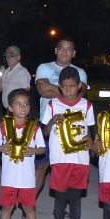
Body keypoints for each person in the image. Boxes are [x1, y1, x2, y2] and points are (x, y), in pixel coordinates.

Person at [41, 67, 95, 219]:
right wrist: (52, 121)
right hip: (60, 159)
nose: (69, 90)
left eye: (72, 86)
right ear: (59, 87)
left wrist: (90, 142)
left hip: (80, 159)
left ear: (79, 86)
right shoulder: (52, 105)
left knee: (76, 200)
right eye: (65, 87)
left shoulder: (87, 105)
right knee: (60, 200)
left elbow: (89, 130)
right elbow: (46, 132)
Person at [0, 89, 47, 219]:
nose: (23, 108)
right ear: (10, 107)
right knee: (7, 207)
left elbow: (42, 149)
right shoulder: (3, 127)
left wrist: (34, 151)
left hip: (27, 178)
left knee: (29, 208)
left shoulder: (34, 127)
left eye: (26, 104)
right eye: (18, 104)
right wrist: (1, 148)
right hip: (9, 177)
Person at [33, 38, 86, 198]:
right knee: (41, 166)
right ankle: (29, 205)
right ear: (55, 50)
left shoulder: (80, 72)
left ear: (74, 53)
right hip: (47, 122)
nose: (65, 52)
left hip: (72, 125)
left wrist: (53, 88)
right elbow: (42, 90)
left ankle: (66, 204)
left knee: (68, 167)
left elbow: (79, 95)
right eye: (61, 48)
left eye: (69, 49)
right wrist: (68, 90)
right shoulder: (44, 67)